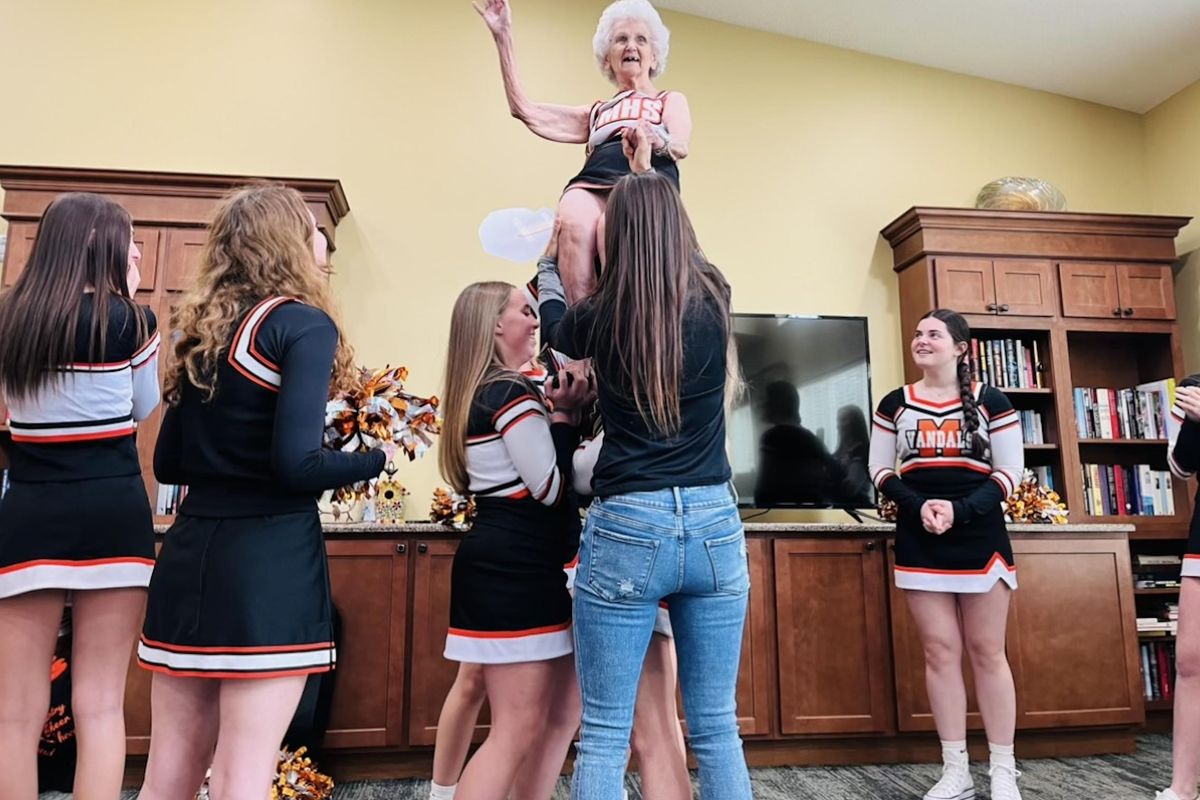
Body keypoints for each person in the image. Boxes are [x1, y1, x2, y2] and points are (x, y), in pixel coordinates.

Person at [135, 185, 385, 800]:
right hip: (267, 567)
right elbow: (296, 464)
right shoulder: (301, 324)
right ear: (293, 243)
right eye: (312, 230)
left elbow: (167, 462)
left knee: (168, 772)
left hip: (190, 557)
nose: (322, 241)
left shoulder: (204, 332)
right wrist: (369, 458)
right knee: (245, 773)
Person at [552, 129, 751, 799]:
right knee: (718, 728)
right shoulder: (715, 299)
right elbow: (686, 249)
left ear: (617, 239)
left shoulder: (598, 320)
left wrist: (559, 253)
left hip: (628, 524)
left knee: (606, 734)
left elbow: (558, 313)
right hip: (716, 523)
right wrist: (650, 174)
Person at [0, 192, 160, 800]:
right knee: (98, 705)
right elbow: (141, 409)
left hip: (30, 512)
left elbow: (13, 415)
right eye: (129, 240)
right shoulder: (133, 321)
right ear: (104, 246)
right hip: (112, 515)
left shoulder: (10, 318)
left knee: (13, 714)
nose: (137, 250)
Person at [437, 280, 591, 800]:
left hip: (504, 565)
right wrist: (566, 416)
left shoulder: (481, 391)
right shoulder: (509, 392)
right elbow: (548, 488)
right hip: (518, 572)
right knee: (516, 731)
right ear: (495, 324)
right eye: (526, 311)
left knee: (543, 721)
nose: (535, 321)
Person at [867, 308, 1025, 800]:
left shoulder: (992, 400)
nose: (922, 339)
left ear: (960, 348)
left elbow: (1009, 474)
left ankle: (1003, 768)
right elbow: (877, 468)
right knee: (939, 653)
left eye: (934, 333)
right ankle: (955, 770)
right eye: (917, 333)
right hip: (920, 534)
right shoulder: (895, 402)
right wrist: (919, 508)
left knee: (987, 652)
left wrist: (959, 511)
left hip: (979, 533)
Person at [475, 0, 692, 304]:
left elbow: (681, 146)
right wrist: (503, 36)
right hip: (593, 179)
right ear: (607, 60)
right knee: (573, 219)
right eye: (621, 39)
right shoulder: (597, 112)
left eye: (640, 39)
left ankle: (626, 330)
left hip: (642, 182)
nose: (631, 45)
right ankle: (581, 340)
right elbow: (524, 110)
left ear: (654, 56)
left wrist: (656, 139)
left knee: (609, 229)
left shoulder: (668, 100)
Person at [1154, 373, 1200, 800]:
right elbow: (1182, 467)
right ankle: (1182, 787)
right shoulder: (1194, 387)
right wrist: (1194, 419)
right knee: (1190, 661)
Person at [752, 380, 840, 506]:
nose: (759, 405)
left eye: (764, 399)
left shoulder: (773, 437)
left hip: (779, 518)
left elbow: (763, 495)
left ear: (776, 404)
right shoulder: (812, 439)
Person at [833, 404, 873, 506]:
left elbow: (850, 488)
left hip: (858, 508)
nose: (838, 426)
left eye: (843, 420)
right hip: (836, 508)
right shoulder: (838, 453)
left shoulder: (862, 452)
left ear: (855, 424)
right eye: (838, 421)